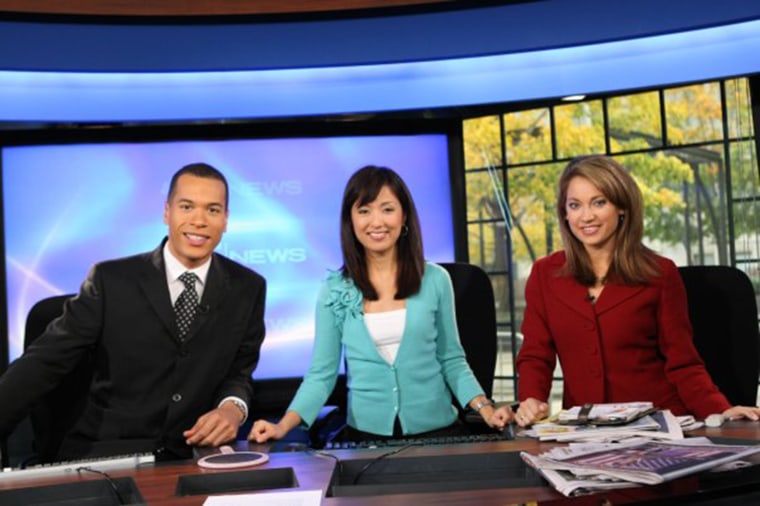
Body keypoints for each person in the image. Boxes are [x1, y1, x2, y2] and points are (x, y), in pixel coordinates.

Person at [0, 162, 267, 461]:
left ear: (226, 219)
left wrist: (232, 409)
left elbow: (239, 373)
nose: (199, 220)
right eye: (187, 206)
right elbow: (43, 363)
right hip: (107, 455)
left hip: (191, 455)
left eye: (213, 210)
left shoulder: (248, 287)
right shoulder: (111, 280)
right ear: (168, 212)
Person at [249, 165, 512, 444]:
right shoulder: (333, 290)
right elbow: (320, 376)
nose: (377, 221)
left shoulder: (436, 280)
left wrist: (485, 408)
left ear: (404, 216)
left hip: (439, 434)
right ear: (350, 220)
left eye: (387, 209)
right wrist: (282, 426)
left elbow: (452, 360)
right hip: (365, 440)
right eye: (364, 211)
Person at [514, 154, 760, 427]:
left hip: (656, 425)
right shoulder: (545, 274)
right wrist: (531, 399)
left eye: (599, 202)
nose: (586, 216)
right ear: (565, 213)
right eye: (575, 205)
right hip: (585, 430)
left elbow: (683, 364)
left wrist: (720, 410)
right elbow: (536, 354)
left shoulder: (660, 273)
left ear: (621, 207)